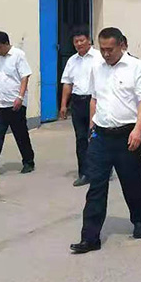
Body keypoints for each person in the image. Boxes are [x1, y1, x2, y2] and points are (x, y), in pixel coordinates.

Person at [70, 27, 141, 254]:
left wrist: (138, 129)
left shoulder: (136, 66)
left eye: (110, 49)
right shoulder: (97, 67)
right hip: (101, 136)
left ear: (122, 46)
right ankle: (90, 237)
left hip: (127, 135)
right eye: (103, 49)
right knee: (96, 186)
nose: (106, 54)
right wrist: (92, 127)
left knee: (132, 181)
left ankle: (140, 220)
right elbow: (94, 98)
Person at [0, 31, 36, 175]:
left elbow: (25, 76)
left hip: (15, 104)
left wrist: (20, 97)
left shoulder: (18, 55)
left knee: (20, 135)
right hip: (0, 104)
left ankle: (28, 161)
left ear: (7, 44)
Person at [59, 28, 103, 187]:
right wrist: (64, 105)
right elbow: (67, 83)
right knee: (81, 138)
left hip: (96, 101)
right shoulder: (72, 61)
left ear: (89, 40)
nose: (79, 44)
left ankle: (102, 167)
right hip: (78, 102)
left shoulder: (99, 57)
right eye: (76, 41)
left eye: (82, 40)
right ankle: (84, 173)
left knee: (97, 136)